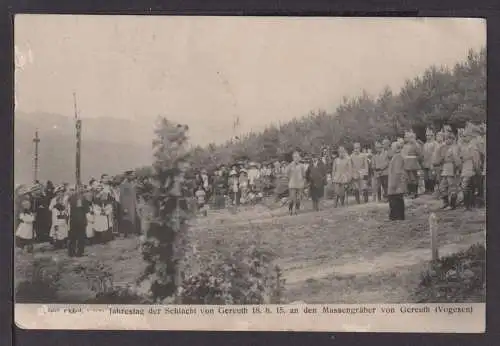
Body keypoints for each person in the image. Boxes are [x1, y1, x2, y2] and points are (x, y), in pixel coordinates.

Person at [459, 127, 481, 210]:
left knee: (466, 187)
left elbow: (476, 160)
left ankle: (468, 205)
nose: (464, 138)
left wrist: (476, 170)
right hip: (465, 169)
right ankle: (468, 205)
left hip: (470, 169)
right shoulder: (464, 146)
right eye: (463, 136)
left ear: (470, 136)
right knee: (468, 187)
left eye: (465, 136)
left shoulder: (472, 147)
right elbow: (461, 158)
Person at [438, 132, 461, 210]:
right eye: (446, 139)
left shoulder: (455, 148)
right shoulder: (445, 147)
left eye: (448, 138)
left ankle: (452, 205)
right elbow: (441, 158)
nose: (446, 140)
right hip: (445, 168)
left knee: (452, 187)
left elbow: (457, 160)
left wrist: (457, 169)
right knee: (442, 187)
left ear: (452, 139)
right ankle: (446, 203)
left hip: (452, 168)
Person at [68, 187, 90, 257]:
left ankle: (71, 252)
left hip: (73, 220)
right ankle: (80, 252)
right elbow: (87, 210)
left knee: (72, 237)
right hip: (81, 220)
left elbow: (68, 209)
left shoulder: (70, 198)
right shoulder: (84, 198)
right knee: (81, 237)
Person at [387, 141, 406, 221]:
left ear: (396, 148)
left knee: (396, 200)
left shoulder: (398, 157)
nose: (391, 148)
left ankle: (397, 217)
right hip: (395, 182)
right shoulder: (396, 156)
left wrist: (394, 184)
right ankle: (396, 216)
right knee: (395, 200)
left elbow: (398, 172)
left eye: (392, 146)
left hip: (396, 183)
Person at [285, 150, 307, 215]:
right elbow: (286, 174)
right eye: (295, 157)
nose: (296, 159)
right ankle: (290, 209)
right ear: (293, 158)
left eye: (297, 157)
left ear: (299, 158)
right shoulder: (290, 165)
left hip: (300, 184)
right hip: (292, 184)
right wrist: (289, 180)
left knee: (298, 198)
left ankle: (296, 210)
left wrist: (303, 182)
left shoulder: (301, 166)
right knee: (292, 198)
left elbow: (304, 175)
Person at [401, 131, 422, 199]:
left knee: (414, 179)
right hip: (407, 164)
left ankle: (415, 193)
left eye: (411, 137)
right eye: (409, 137)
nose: (410, 139)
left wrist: (415, 161)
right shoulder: (405, 145)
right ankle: (410, 192)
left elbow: (420, 155)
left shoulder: (416, 145)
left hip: (413, 164)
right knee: (409, 179)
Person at [119, 170, 139, 237]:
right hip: (127, 205)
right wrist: (124, 207)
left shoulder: (132, 184)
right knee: (127, 218)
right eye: (132, 175)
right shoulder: (124, 185)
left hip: (132, 204)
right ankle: (126, 233)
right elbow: (122, 197)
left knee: (132, 218)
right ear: (128, 176)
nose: (133, 176)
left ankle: (132, 232)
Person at [422, 128, 438, 193]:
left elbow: (435, 154)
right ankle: (426, 189)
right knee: (425, 177)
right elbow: (423, 154)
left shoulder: (435, 143)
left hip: (431, 163)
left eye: (429, 135)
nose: (428, 137)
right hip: (425, 163)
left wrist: (433, 163)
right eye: (427, 135)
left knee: (431, 176)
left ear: (432, 135)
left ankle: (431, 190)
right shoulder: (425, 144)